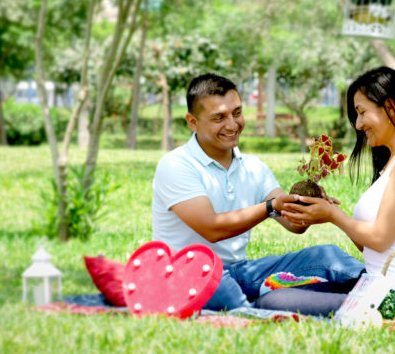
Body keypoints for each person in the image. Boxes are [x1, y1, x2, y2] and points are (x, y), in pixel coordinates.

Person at [152, 73, 365, 311]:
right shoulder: (176, 165)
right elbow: (211, 228)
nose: (232, 125)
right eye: (219, 118)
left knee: (327, 257)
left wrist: (308, 205)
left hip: (242, 272)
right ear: (192, 121)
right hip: (191, 274)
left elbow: (293, 224)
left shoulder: (253, 167)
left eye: (237, 113)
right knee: (222, 287)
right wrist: (272, 206)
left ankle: (381, 290)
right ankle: (259, 307)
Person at [281, 66, 395, 292]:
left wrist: (333, 215)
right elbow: (374, 250)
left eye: (362, 112)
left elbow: (380, 239)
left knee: (277, 300)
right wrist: (329, 213)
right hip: (378, 288)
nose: (358, 124)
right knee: (285, 289)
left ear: (390, 107)